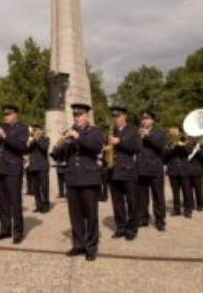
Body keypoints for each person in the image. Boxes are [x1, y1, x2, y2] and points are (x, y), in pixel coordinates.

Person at [52, 103, 103, 261]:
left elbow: (96, 147)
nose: (77, 117)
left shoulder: (94, 131)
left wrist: (77, 137)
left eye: (80, 115)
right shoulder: (69, 132)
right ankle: (78, 245)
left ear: (87, 115)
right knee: (75, 216)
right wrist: (60, 145)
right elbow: (58, 156)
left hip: (88, 179)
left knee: (91, 215)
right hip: (72, 178)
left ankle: (91, 247)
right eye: (75, 115)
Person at [0, 105, 29, 244]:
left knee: (15, 202)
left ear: (15, 114)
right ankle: (5, 230)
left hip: (13, 169)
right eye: (4, 114)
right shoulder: (1, 128)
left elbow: (22, 147)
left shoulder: (22, 128)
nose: (6, 116)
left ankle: (18, 232)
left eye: (9, 114)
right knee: (2, 202)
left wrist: (4, 135)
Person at [108, 106, 141, 241]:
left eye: (118, 116)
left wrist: (120, 142)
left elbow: (137, 148)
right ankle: (120, 227)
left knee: (132, 201)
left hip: (128, 171)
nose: (116, 119)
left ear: (124, 117)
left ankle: (132, 229)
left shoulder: (133, 131)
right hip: (113, 171)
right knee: (117, 202)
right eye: (114, 116)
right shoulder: (112, 132)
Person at [137, 110, 167, 231]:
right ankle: (143, 218)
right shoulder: (138, 133)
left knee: (158, 196)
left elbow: (159, 145)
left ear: (152, 120)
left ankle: (160, 221)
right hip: (141, 169)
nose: (144, 120)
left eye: (147, 118)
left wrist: (147, 135)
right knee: (142, 197)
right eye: (143, 118)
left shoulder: (158, 132)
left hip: (155, 170)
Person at [164, 127, 194, 218]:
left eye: (175, 133)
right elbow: (164, 158)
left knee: (187, 191)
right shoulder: (168, 144)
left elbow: (189, 151)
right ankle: (176, 209)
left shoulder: (185, 140)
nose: (173, 134)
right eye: (171, 133)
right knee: (175, 192)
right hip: (173, 171)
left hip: (184, 170)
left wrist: (181, 144)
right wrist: (172, 149)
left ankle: (188, 210)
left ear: (178, 133)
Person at [27, 125, 51, 213]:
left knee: (44, 187)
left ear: (41, 131)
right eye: (33, 130)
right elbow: (27, 149)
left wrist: (37, 139)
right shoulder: (31, 140)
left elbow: (44, 148)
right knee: (35, 188)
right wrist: (31, 140)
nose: (34, 131)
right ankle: (39, 205)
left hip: (42, 167)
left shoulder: (45, 139)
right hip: (33, 167)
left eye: (36, 130)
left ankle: (46, 205)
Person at [186, 140, 203, 212]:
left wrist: (198, 151)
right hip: (187, 171)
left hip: (197, 172)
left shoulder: (201, 147)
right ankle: (190, 205)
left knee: (198, 190)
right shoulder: (186, 147)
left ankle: (200, 205)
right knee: (188, 190)